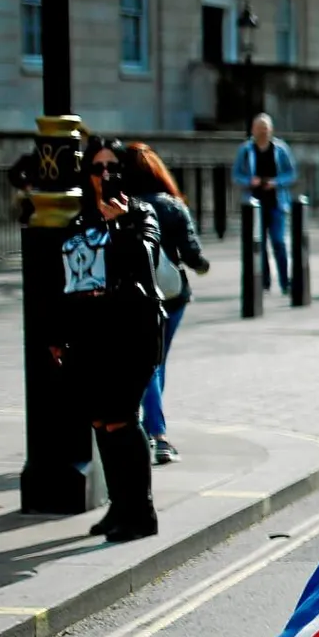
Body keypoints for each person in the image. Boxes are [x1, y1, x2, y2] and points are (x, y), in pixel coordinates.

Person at [57, 140, 165, 542]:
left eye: (112, 167)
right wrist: (58, 335)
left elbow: (146, 259)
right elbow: (69, 279)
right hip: (91, 336)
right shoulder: (81, 219)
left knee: (122, 417)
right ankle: (120, 507)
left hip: (132, 333)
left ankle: (143, 513)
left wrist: (119, 224)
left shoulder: (140, 213)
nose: (105, 175)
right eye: (97, 168)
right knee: (102, 421)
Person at [119, 142, 210, 466]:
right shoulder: (172, 206)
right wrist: (202, 266)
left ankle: (153, 432)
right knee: (156, 363)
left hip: (136, 295)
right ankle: (155, 433)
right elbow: (193, 255)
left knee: (148, 365)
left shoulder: (122, 205)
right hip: (172, 296)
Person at [231, 113, 297, 293]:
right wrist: (250, 181)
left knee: (279, 242)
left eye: (266, 130)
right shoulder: (245, 150)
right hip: (254, 204)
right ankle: (264, 282)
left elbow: (292, 174)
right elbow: (236, 175)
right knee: (259, 245)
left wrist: (276, 182)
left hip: (277, 202)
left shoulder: (281, 149)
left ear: (271, 131)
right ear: (253, 130)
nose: (262, 134)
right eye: (259, 130)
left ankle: (285, 281)